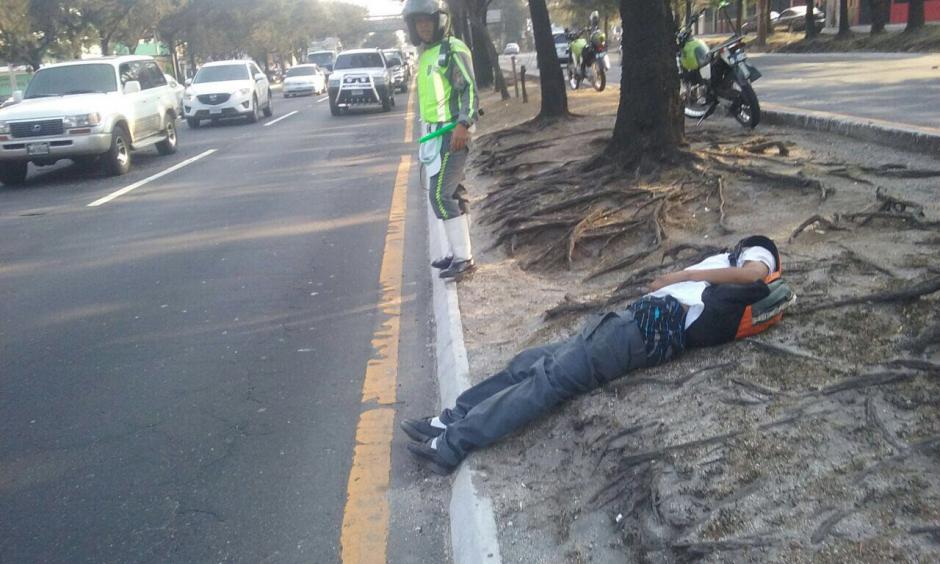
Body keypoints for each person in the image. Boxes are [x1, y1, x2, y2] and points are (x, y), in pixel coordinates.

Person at [402, 236, 790, 475]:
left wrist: (681, 276)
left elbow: (754, 274)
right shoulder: (728, 265)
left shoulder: (759, 251)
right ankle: (450, 419)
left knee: (546, 381)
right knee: (528, 364)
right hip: (632, 326)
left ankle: (452, 444)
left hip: (639, 332)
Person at [403, 0, 480, 281]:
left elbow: (469, 89)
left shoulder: (452, 49)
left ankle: (464, 260)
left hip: (452, 133)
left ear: (440, 21)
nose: (423, 27)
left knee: (439, 194)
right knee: (454, 193)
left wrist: (463, 124)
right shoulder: (427, 54)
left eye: (427, 21)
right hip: (436, 135)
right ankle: (457, 253)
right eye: (418, 22)